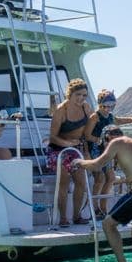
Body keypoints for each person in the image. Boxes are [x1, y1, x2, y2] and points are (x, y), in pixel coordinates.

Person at [74, 127, 132, 262]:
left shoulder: (116, 143)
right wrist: (121, 181)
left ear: (108, 137)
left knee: (108, 224)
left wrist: (79, 162)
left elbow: (97, 165)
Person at [86, 89, 132, 218]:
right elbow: (86, 135)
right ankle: (95, 208)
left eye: (112, 105)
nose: (108, 108)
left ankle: (103, 207)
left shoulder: (110, 116)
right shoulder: (95, 117)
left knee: (110, 178)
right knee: (99, 179)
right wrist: (98, 140)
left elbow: (118, 120)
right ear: (100, 104)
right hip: (96, 150)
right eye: (106, 106)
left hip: (107, 150)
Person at [48, 79, 94, 227]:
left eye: (84, 95)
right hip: (58, 150)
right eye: (78, 95)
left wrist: (86, 152)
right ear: (70, 94)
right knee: (64, 182)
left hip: (76, 150)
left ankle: (76, 216)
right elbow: (52, 137)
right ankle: (62, 218)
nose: (81, 98)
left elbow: (88, 132)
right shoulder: (61, 111)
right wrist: (67, 144)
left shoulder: (86, 108)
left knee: (81, 182)